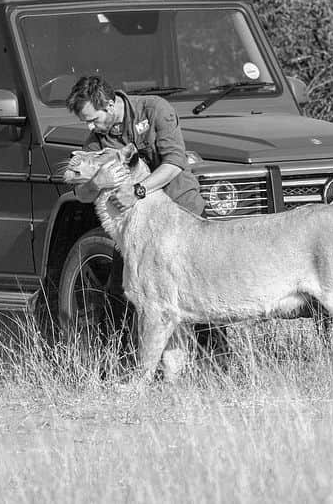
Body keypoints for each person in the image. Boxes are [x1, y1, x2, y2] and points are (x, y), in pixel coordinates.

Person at [65, 75, 231, 370]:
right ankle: (114, 366)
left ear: (111, 104)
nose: (90, 128)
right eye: (86, 122)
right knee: (120, 290)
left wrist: (138, 190)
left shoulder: (155, 110)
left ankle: (218, 368)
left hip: (180, 211)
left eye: (93, 119)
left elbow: (174, 163)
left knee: (201, 291)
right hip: (138, 224)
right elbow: (81, 191)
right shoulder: (97, 140)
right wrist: (97, 182)